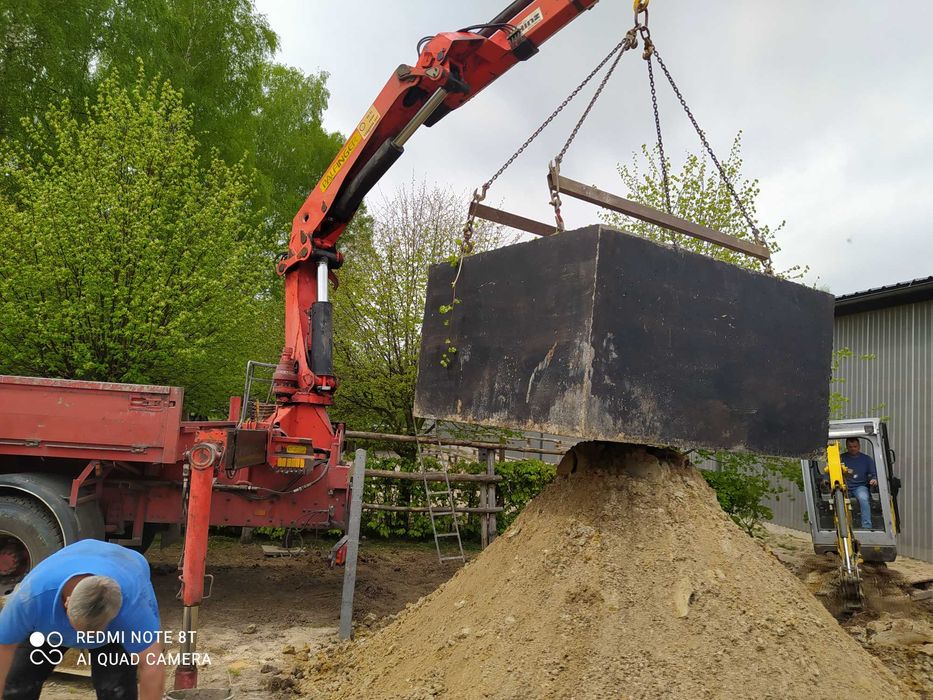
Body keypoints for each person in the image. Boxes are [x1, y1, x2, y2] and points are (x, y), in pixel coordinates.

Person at [0, 539, 164, 699]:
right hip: (49, 621)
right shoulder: (30, 599)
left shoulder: (132, 606)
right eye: (81, 630)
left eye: (92, 633)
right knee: (16, 684)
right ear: (67, 602)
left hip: (123, 574)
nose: (84, 639)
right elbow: (3, 650)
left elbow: (152, 665)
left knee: (114, 689)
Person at [841, 437, 878, 530]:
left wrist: (874, 480)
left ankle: (866, 526)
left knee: (863, 498)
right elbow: (829, 473)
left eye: (855, 446)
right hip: (844, 486)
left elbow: (874, 474)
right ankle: (842, 527)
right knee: (838, 501)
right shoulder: (840, 459)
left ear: (859, 446)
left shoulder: (867, 459)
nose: (853, 448)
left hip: (860, 486)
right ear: (847, 447)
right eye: (850, 446)